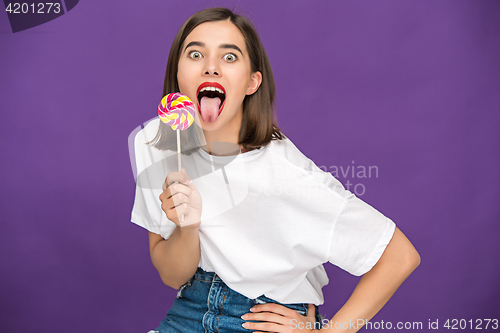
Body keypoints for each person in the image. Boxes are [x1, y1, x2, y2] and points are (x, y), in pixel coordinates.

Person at [130, 7, 420, 333]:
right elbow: (172, 276)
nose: (210, 67)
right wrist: (189, 227)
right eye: (195, 54)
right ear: (178, 72)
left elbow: (399, 256)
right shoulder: (155, 147)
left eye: (229, 57)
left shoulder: (284, 172)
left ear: (253, 82)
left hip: (261, 316)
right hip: (190, 309)